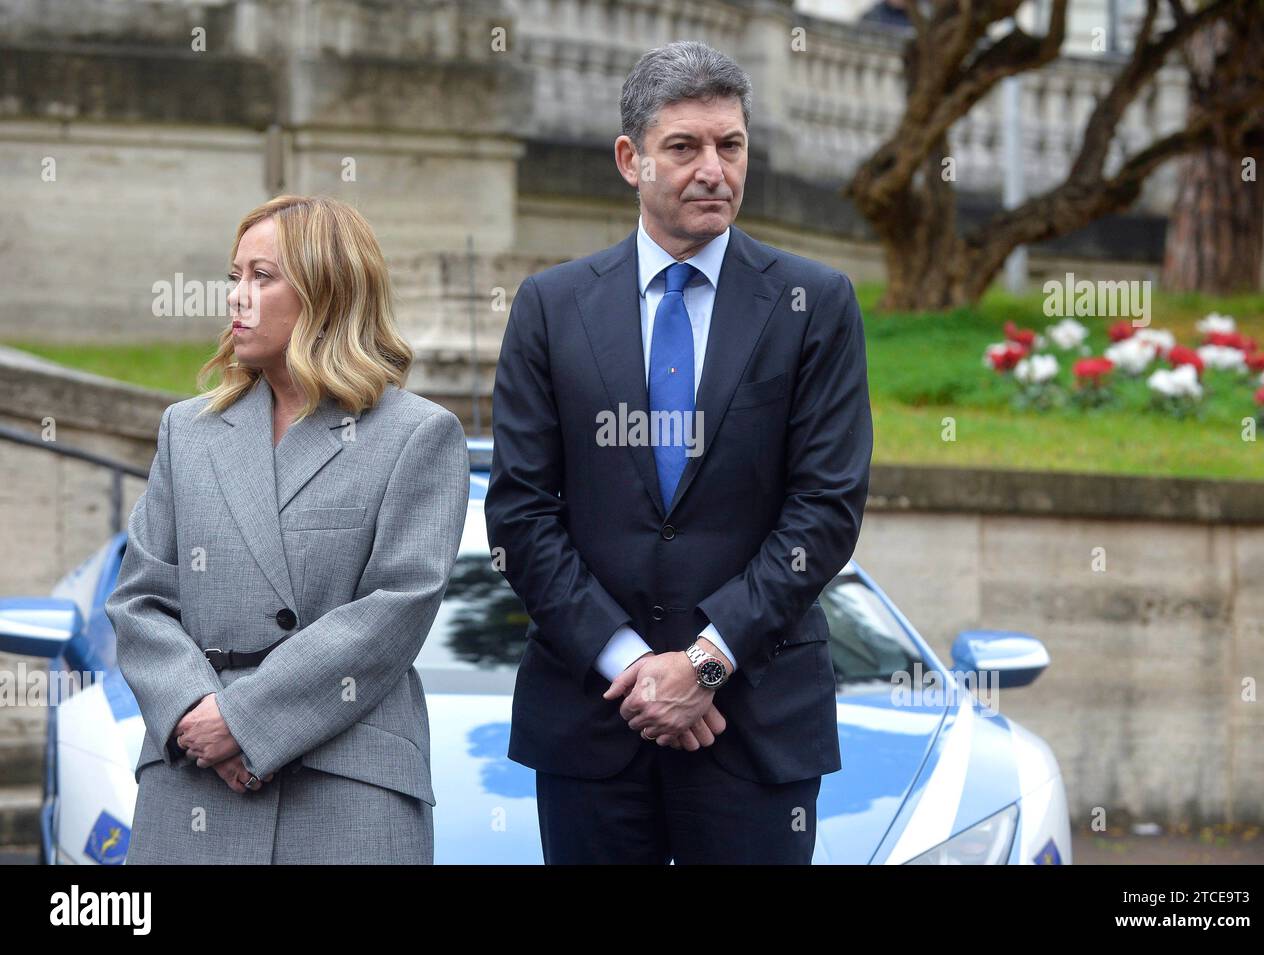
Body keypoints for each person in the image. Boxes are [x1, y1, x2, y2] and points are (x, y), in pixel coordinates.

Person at [485, 41, 873, 864]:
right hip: (593, 721)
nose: (713, 170)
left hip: (754, 722)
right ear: (631, 159)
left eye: (730, 146)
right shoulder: (552, 307)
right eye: (684, 147)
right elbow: (521, 511)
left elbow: (826, 510)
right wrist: (635, 667)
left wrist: (703, 662)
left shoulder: (815, 304)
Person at [105, 194, 470, 864]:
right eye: (233, 277)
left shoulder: (416, 434)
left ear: (327, 292)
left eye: (262, 277)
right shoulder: (188, 432)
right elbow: (141, 599)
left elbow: (394, 610)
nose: (237, 298)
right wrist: (195, 712)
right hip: (194, 781)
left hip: (344, 785)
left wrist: (246, 721)